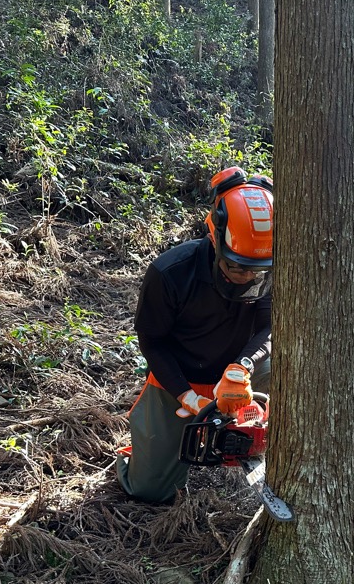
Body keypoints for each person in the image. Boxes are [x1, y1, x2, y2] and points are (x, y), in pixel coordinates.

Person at [117, 166, 273, 503]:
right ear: (216, 238)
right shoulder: (170, 273)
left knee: (285, 366)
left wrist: (240, 367)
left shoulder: (271, 269)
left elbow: (268, 327)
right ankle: (140, 451)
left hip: (238, 369)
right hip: (180, 374)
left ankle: (262, 436)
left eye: (257, 270)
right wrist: (188, 397)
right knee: (148, 490)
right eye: (236, 267)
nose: (246, 277)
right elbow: (153, 343)